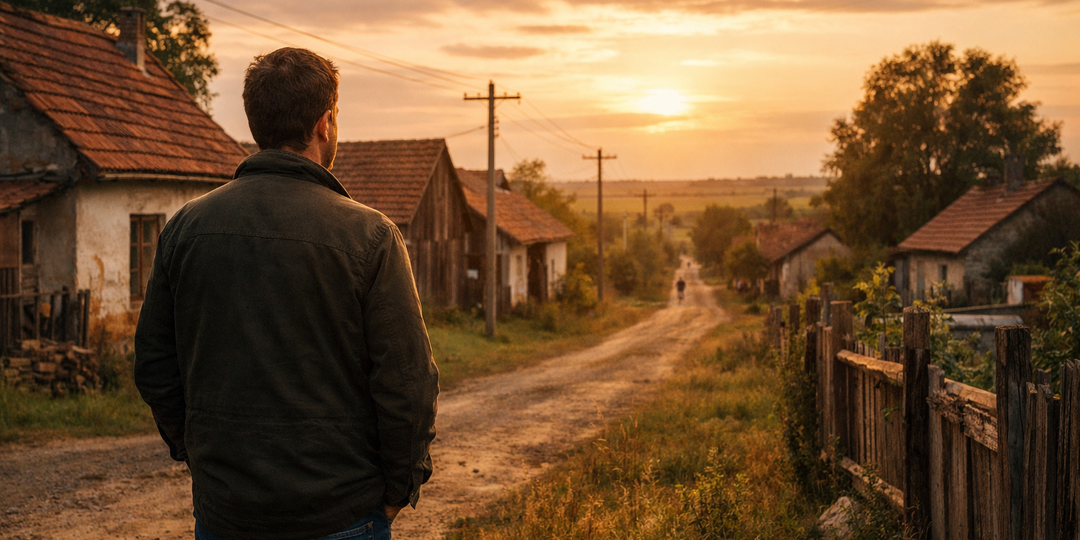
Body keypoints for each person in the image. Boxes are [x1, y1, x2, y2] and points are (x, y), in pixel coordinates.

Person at [134, 48, 439, 540]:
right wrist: (396, 491)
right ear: (324, 124)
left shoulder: (185, 229)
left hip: (225, 514)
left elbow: (154, 364)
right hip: (342, 515)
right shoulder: (371, 236)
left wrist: (200, 456)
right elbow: (408, 384)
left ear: (256, 122)